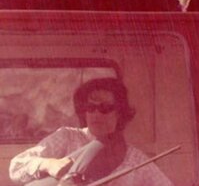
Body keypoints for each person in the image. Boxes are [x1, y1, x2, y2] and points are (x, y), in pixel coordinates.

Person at [9, 77, 174, 186]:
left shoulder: (135, 159)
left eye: (105, 108)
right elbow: (15, 167)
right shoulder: (67, 137)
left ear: (120, 112)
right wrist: (49, 164)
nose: (96, 113)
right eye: (90, 107)